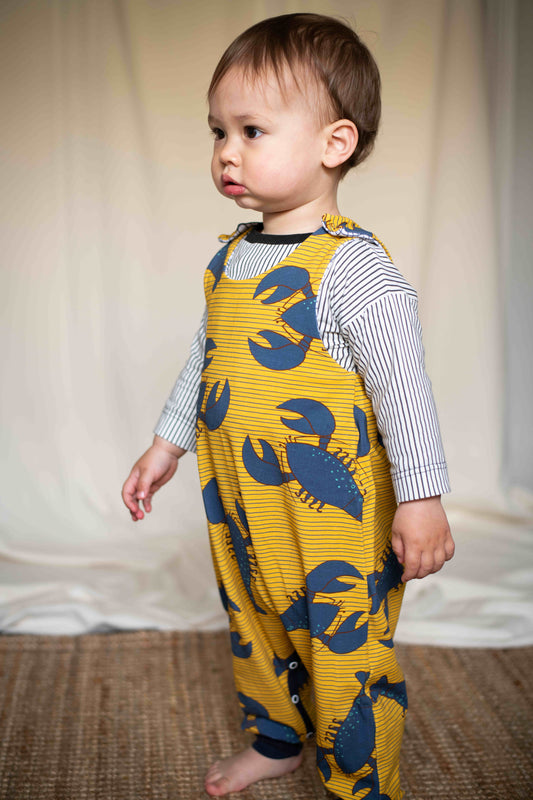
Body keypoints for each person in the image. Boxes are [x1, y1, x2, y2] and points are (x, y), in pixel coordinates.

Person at [122, 13, 455, 800]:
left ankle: (362, 784)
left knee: (342, 653)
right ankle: (276, 741)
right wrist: (166, 445)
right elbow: (208, 359)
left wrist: (421, 497)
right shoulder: (230, 259)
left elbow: (403, 387)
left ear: (333, 144)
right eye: (217, 131)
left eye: (251, 131)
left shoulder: (351, 269)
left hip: (333, 518)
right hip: (241, 497)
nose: (225, 151)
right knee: (255, 625)